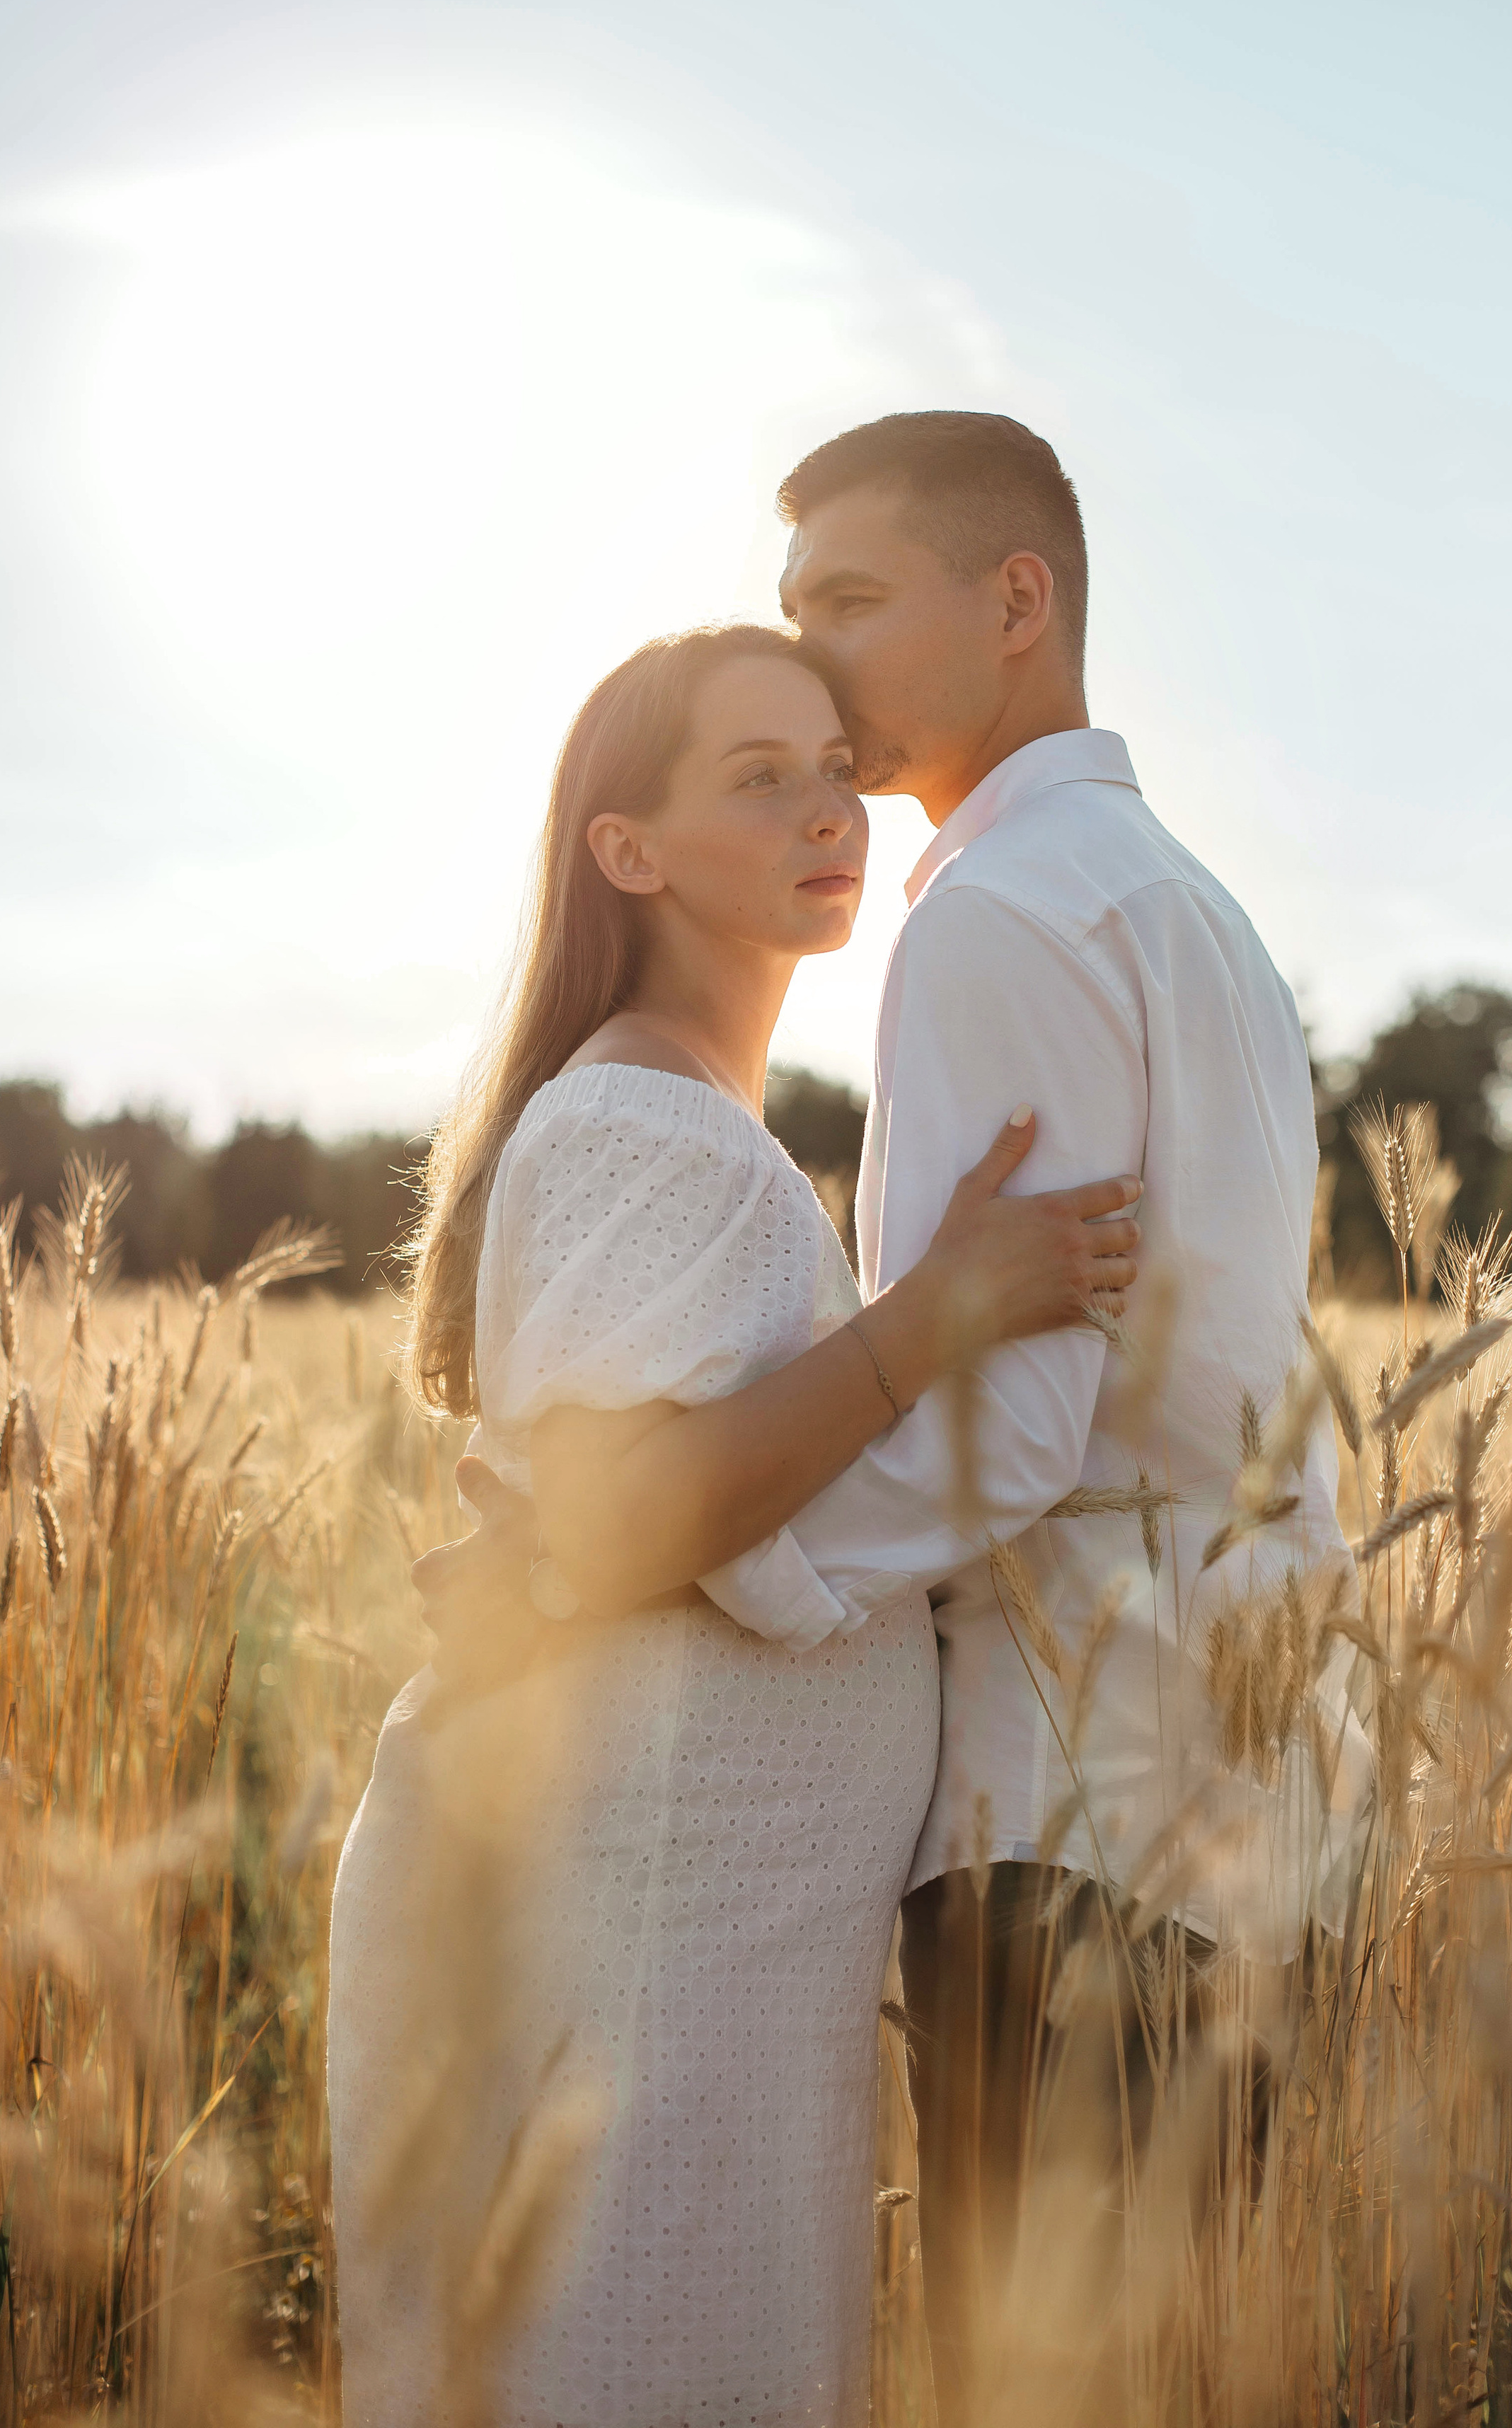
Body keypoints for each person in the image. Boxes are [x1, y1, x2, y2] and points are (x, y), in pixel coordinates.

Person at [459, 413, 1370, 2422]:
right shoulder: (1179, 900)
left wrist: (658, 1557)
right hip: (1231, 1770)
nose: (827, 659)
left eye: (856, 603)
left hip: (1074, 1796)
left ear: (1017, 602)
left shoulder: (989, 921)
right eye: (797, 613)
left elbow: (1016, 1433)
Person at [325, 620, 1142, 2428]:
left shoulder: (692, 1118)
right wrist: (935, 1311)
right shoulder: (641, 1117)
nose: (828, 811)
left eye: (836, 771)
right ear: (631, 848)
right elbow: (638, 1518)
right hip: (653, 1935)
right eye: (759, 778)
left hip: (708, 1939)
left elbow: (609, 1514)